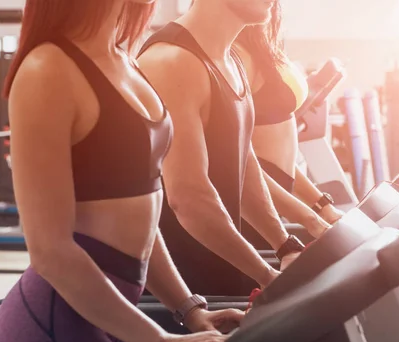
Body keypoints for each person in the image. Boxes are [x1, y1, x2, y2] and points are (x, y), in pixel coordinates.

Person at [0, 0, 243, 342]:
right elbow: (50, 251)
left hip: (112, 316)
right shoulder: (47, 69)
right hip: (58, 321)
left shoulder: (124, 60)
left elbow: (142, 219)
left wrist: (189, 310)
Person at [137, 0, 330, 296]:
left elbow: (244, 164)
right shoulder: (171, 62)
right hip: (181, 292)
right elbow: (189, 199)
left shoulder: (230, 60)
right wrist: (266, 275)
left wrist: (285, 245)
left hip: (219, 271)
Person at [234, 1, 345, 230]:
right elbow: (245, 167)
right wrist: (311, 219)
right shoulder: (234, 58)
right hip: (256, 213)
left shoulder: (261, 46)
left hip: (276, 197)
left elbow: (277, 163)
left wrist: (323, 206)